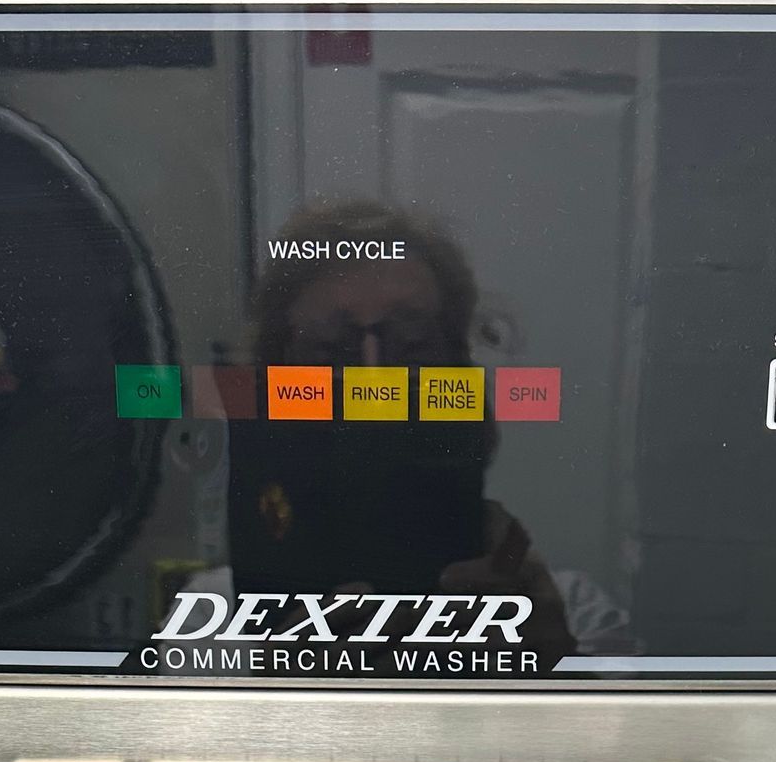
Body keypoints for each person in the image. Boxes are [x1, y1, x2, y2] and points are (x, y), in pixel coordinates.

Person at [227, 200, 596, 663]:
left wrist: (546, 670)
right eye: (329, 351)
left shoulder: (572, 610)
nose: (375, 386)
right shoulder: (209, 622)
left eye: (414, 348)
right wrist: (276, 683)